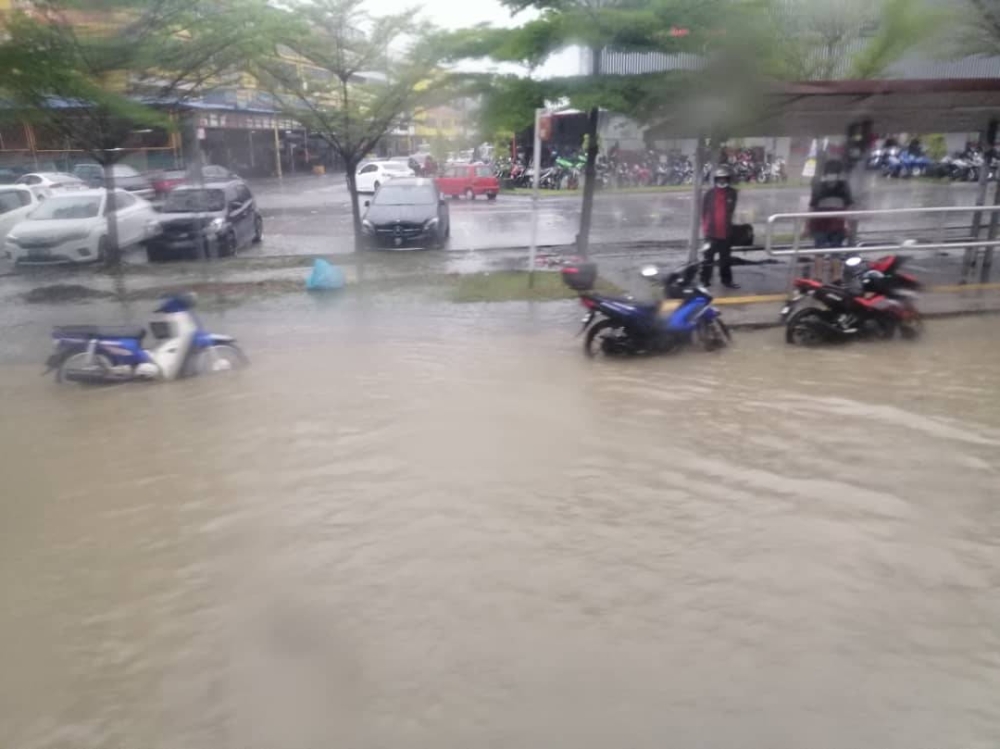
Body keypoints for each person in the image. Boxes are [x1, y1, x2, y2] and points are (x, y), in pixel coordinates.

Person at [700, 166, 740, 288]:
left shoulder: (732, 193)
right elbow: (704, 212)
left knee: (725, 259)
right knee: (708, 258)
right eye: (719, 179)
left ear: (728, 179)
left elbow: (730, 209)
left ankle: (727, 281)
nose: (722, 181)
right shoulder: (709, 194)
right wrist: (706, 229)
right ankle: (704, 281)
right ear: (716, 179)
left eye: (724, 179)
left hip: (726, 233)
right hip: (711, 233)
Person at [808, 159, 853, 248]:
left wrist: (808, 226)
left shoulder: (818, 184)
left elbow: (812, 207)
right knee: (834, 252)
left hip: (823, 223)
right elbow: (849, 207)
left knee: (820, 251)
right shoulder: (843, 186)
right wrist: (848, 225)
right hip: (834, 223)